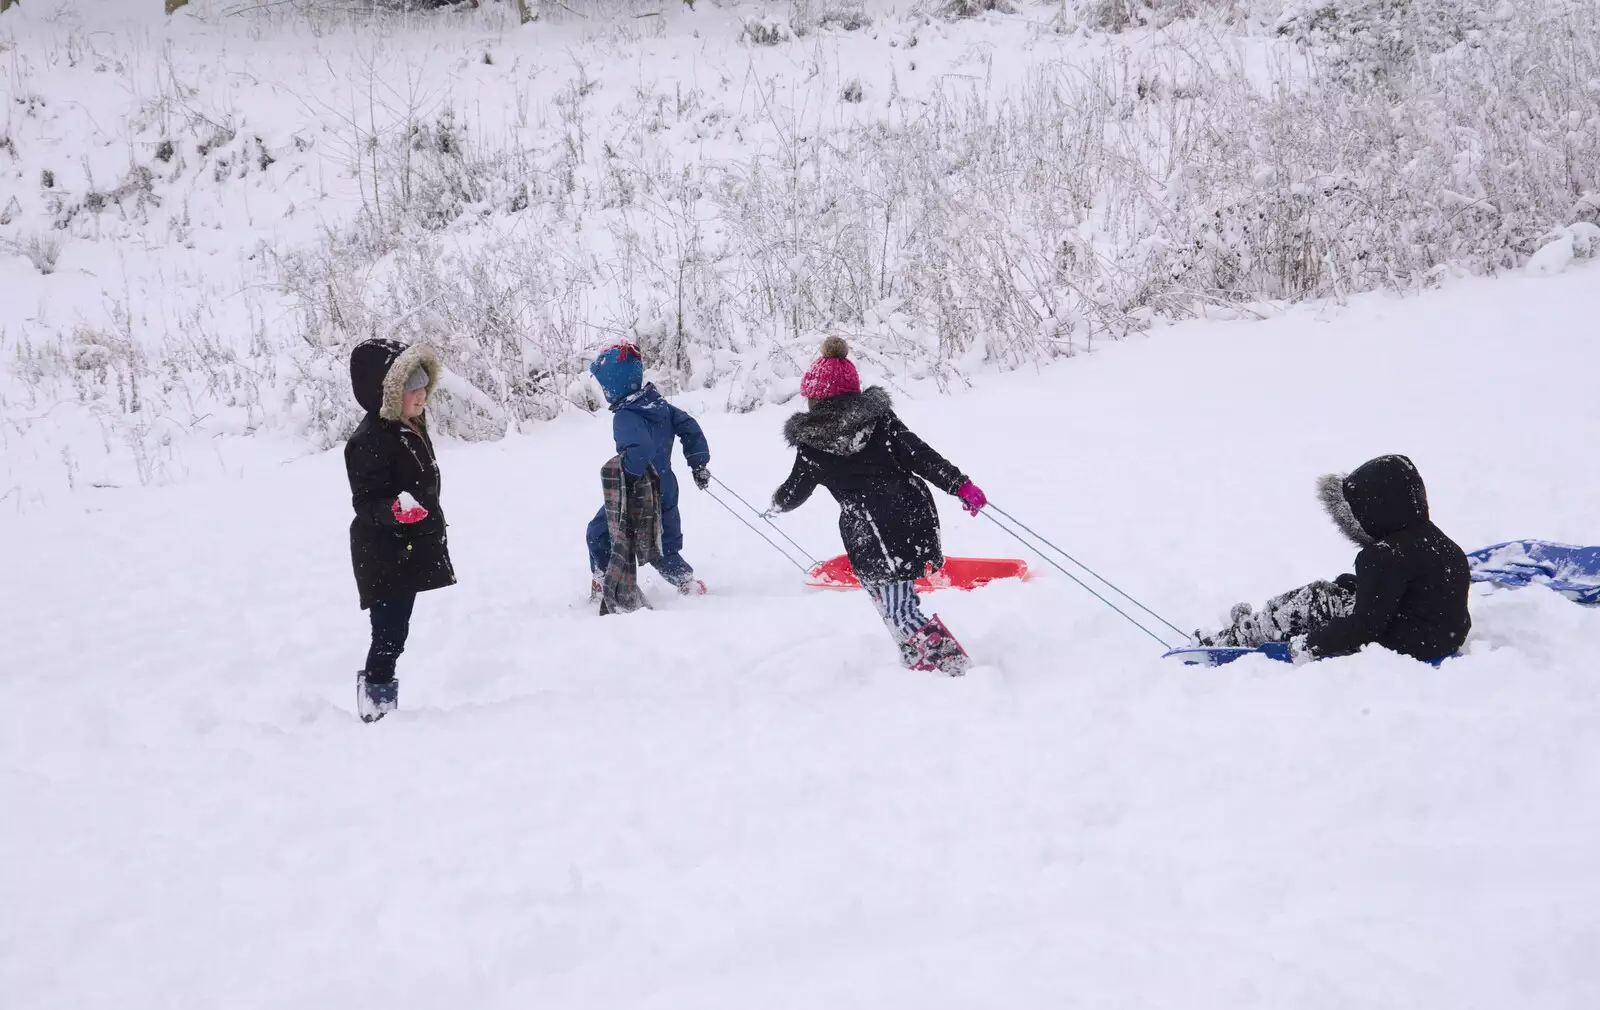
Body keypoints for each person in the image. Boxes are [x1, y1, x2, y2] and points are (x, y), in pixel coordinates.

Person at [768, 337, 988, 675]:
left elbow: (795, 490)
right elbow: (921, 456)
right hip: (909, 515)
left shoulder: (813, 445)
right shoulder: (881, 423)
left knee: (897, 605)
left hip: (870, 529)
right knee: (886, 597)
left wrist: (778, 503)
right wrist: (960, 484)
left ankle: (954, 668)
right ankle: (915, 657)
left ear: (814, 398)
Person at [1196, 454, 1471, 663]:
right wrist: (1358, 586)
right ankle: (1258, 621)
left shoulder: (1383, 555)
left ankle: (1240, 636)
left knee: (1316, 599)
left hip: (1410, 644)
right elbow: (1415, 591)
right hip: (1442, 637)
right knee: (1334, 592)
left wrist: (1306, 646)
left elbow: (1365, 625)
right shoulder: (1441, 543)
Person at [345, 338, 457, 722]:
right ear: (388, 393)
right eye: (411, 387)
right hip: (383, 553)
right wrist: (393, 511)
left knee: (397, 633)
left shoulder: (408, 425)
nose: (421, 393)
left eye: (424, 382)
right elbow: (365, 503)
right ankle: (376, 709)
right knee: (389, 636)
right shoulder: (369, 442)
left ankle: (378, 702)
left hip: (405, 547)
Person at [584, 343, 712, 598]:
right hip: (666, 484)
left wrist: (627, 475)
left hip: (639, 489)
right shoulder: (658, 405)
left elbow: (640, 449)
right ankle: (687, 582)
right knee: (664, 542)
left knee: (599, 532)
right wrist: (698, 462)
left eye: (604, 385)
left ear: (614, 384)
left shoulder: (625, 416)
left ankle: (604, 579)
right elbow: (689, 426)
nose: (605, 391)